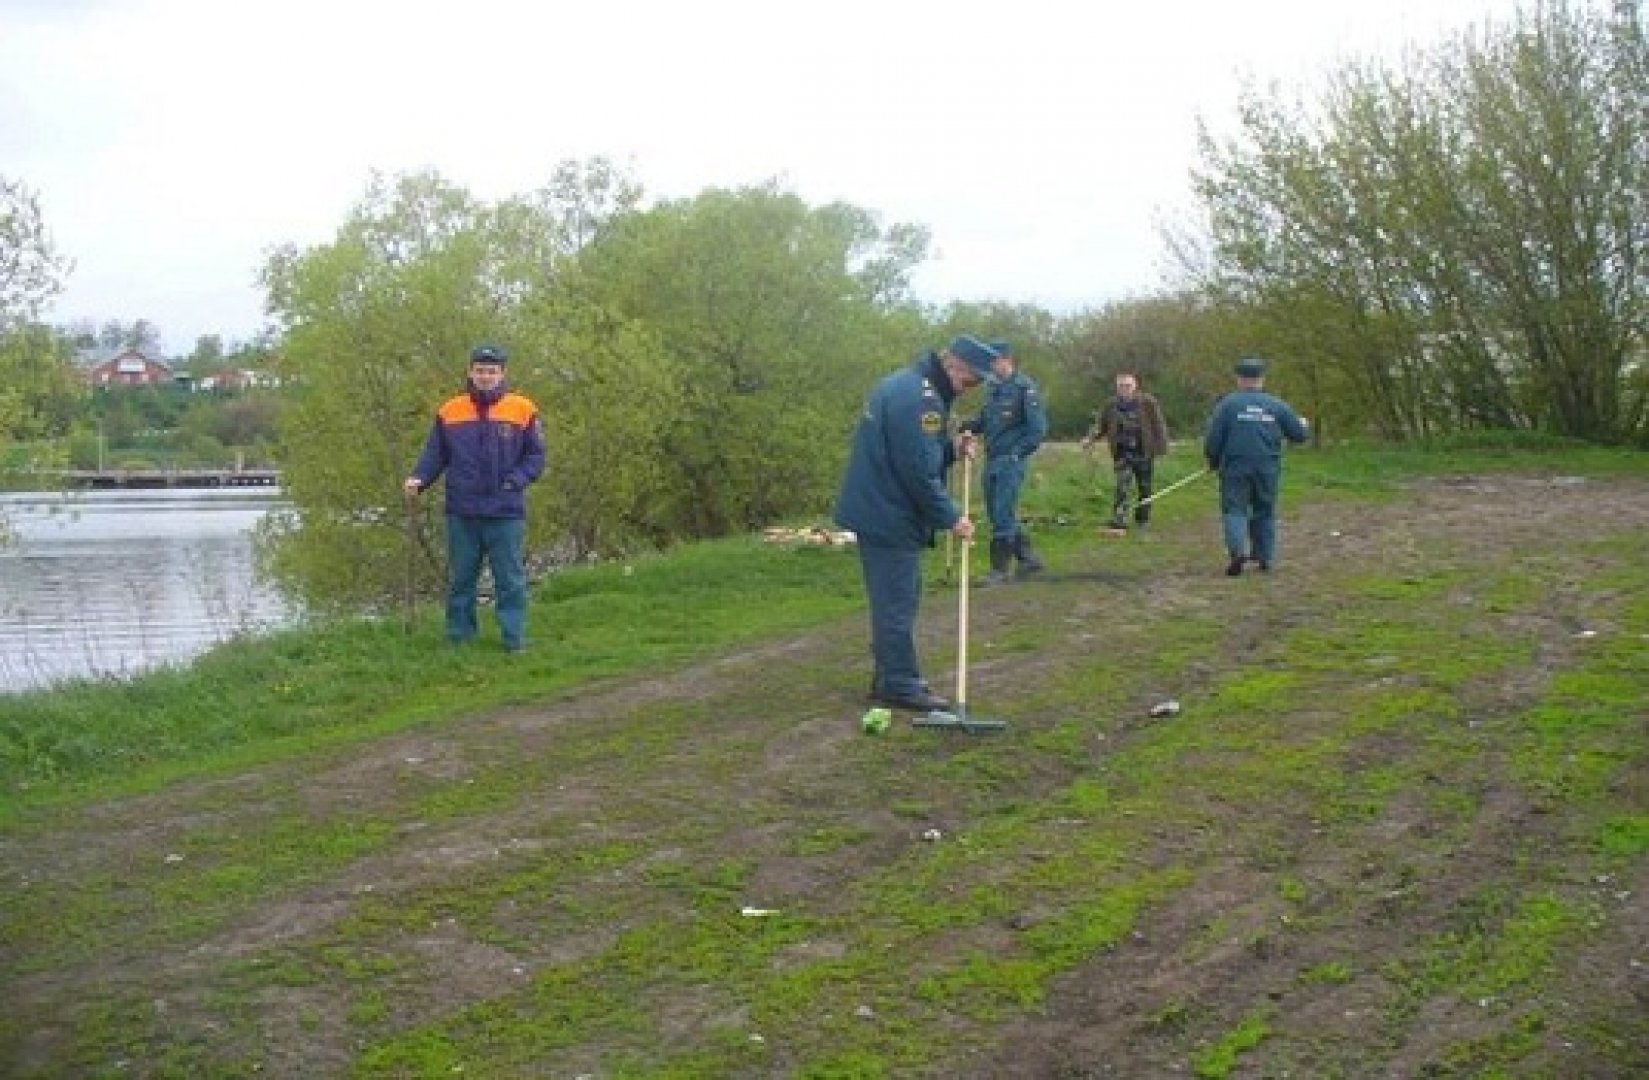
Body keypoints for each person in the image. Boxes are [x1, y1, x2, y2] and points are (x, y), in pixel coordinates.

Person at [834, 335, 996, 711]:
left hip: (878, 506)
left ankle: (889, 676)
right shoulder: (923, 400)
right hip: (888, 512)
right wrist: (952, 516)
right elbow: (917, 473)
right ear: (953, 365)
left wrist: (951, 450)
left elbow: (911, 452)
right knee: (897, 602)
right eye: (969, 380)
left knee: (896, 598)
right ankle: (900, 684)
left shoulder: (903, 383)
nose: (968, 389)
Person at [405, 344, 546, 650]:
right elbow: (435, 454)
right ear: (470, 372)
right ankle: (460, 638)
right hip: (462, 510)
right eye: (480, 370)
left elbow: (535, 457)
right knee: (461, 580)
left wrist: (515, 481)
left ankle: (514, 639)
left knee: (509, 580)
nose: (485, 376)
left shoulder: (523, 409)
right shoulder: (450, 411)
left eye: (491, 371)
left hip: (505, 510)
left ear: (502, 374)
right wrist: (419, 478)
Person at [1202, 357, 1309, 576]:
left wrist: (1213, 460)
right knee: (1264, 510)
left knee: (1234, 509)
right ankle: (1264, 557)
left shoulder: (1228, 405)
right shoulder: (1276, 405)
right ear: (1261, 379)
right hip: (1267, 466)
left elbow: (1213, 438)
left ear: (1239, 379)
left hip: (1235, 466)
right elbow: (1298, 435)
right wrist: (1303, 425)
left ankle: (1237, 552)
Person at [958, 340, 1049, 584]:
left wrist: (1017, 453)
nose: (991, 366)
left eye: (994, 361)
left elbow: (1037, 429)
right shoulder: (993, 389)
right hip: (992, 458)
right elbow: (985, 420)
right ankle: (1029, 558)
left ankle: (999, 569)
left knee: (1002, 513)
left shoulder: (1024, 388)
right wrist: (967, 426)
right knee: (997, 512)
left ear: (1006, 360)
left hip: (1010, 460)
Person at [1081, 371, 1170, 533]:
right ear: (1117, 388)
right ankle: (1119, 519)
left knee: (1145, 487)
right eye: (1121, 386)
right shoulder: (1110, 405)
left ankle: (1142, 519)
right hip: (1122, 453)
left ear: (1135, 386)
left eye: (1128, 385)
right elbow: (1101, 426)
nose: (1125, 389)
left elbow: (1158, 425)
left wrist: (1162, 448)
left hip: (1143, 452)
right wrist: (1090, 439)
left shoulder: (1148, 403)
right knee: (1122, 487)